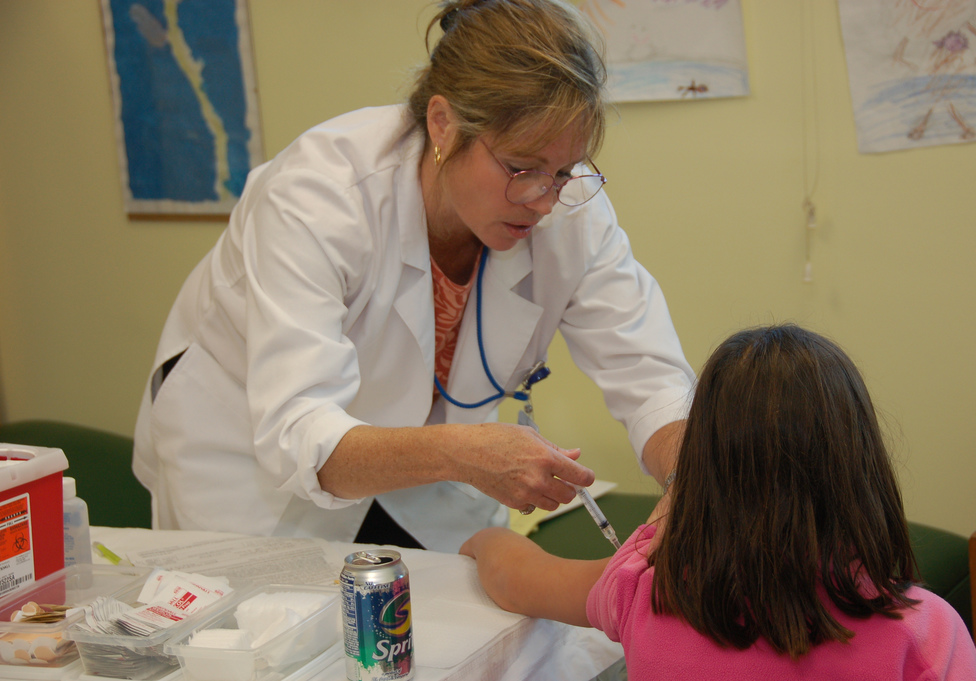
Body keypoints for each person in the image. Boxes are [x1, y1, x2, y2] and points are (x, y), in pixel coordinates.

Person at [131, 0, 695, 553]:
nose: (544, 200)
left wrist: (695, 490)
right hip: (249, 464)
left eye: (565, 171)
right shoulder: (318, 198)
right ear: (443, 125)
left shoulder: (572, 210)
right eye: (522, 169)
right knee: (269, 635)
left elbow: (650, 379)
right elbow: (302, 437)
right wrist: (465, 455)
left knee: (457, 626)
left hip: (427, 472)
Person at [460, 324, 976, 680]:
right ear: (861, 469)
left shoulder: (644, 591)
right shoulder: (923, 629)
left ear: (700, 470)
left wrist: (480, 538)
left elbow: (513, 577)